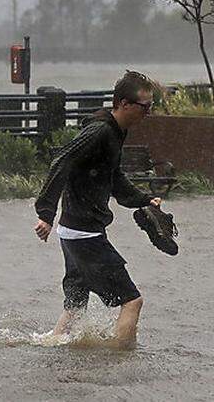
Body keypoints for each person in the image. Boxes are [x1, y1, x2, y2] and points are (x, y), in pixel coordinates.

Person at [33, 70, 160, 349]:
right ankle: (122, 360)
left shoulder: (116, 132)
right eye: (145, 106)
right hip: (85, 234)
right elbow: (61, 161)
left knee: (76, 306)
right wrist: (45, 214)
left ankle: (49, 346)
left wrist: (144, 199)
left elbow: (114, 178)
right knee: (132, 301)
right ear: (124, 104)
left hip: (74, 233)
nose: (148, 112)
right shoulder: (100, 131)